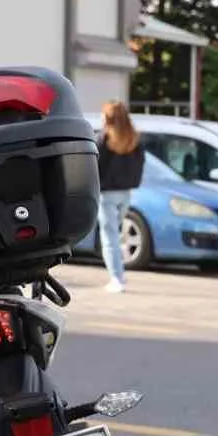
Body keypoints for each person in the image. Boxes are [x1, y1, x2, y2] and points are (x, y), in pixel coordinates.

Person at [95, 100, 144, 293]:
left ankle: (116, 278)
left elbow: (95, 166)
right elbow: (140, 165)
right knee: (115, 234)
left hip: (106, 194)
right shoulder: (134, 139)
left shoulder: (103, 140)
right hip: (126, 193)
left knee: (109, 237)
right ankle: (119, 274)